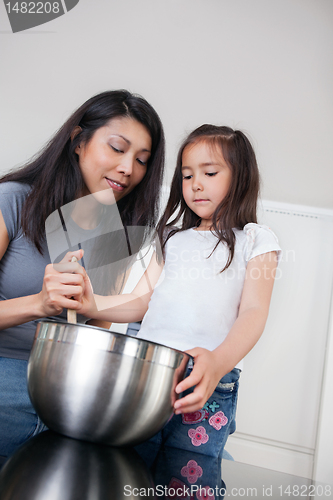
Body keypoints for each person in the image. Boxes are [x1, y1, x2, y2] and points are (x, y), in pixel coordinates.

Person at [73, 124, 281, 461]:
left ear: (241, 177)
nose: (195, 184)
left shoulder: (257, 240)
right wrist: (93, 303)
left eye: (209, 172)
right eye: (186, 176)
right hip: (147, 369)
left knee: (189, 477)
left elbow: (254, 312)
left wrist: (217, 363)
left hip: (206, 375)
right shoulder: (170, 237)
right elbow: (141, 300)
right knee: (129, 464)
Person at [0, 89, 165, 463]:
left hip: (63, 389)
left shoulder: (119, 237)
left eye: (142, 160)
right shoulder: (11, 201)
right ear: (78, 141)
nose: (128, 168)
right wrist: (40, 304)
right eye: (118, 148)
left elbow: (96, 329)